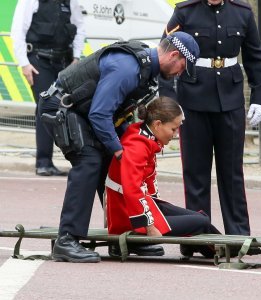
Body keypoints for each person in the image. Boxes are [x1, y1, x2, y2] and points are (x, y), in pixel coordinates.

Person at [38, 31, 200, 263]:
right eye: (182, 67)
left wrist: (127, 150)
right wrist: (119, 149)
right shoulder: (127, 68)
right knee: (90, 161)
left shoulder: (147, 68)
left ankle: (123, 237)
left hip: (86, 112)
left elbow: (118, 115)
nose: (180, 73)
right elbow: (100, 113)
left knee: (114, 167)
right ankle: (67, 239)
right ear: (174, 55)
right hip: (62, 107)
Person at [159, 0, 261, 237]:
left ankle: (238, 235)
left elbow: (255, 58)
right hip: (192, 101)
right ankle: (197, 235)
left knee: (232, 173)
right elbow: (165, 55)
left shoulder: (243, 12)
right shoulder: (185, 12)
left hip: (230, 100)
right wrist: (169, 104)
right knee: (195, 173)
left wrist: (259, 96)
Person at [106, 96, 221, 258]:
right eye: (173, 129)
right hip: (127, 215)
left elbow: (148, 182)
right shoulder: (137, 146)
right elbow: (132, 189)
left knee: (199, 217)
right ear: (158, 124)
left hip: (136, 206)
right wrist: (149, 226)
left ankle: (218, 248)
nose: (175, 134)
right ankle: (222, 250)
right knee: (200, 222)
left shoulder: (145, 136)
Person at [10, 0, 85, 176]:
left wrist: (76, 57)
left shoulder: (70, 1)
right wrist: (24, 63)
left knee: (66, 110)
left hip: (64, 62)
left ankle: (74, 161)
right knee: (46, 108)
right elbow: (18, 30)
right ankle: (43, 162)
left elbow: (79, 27)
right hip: (38, 61)